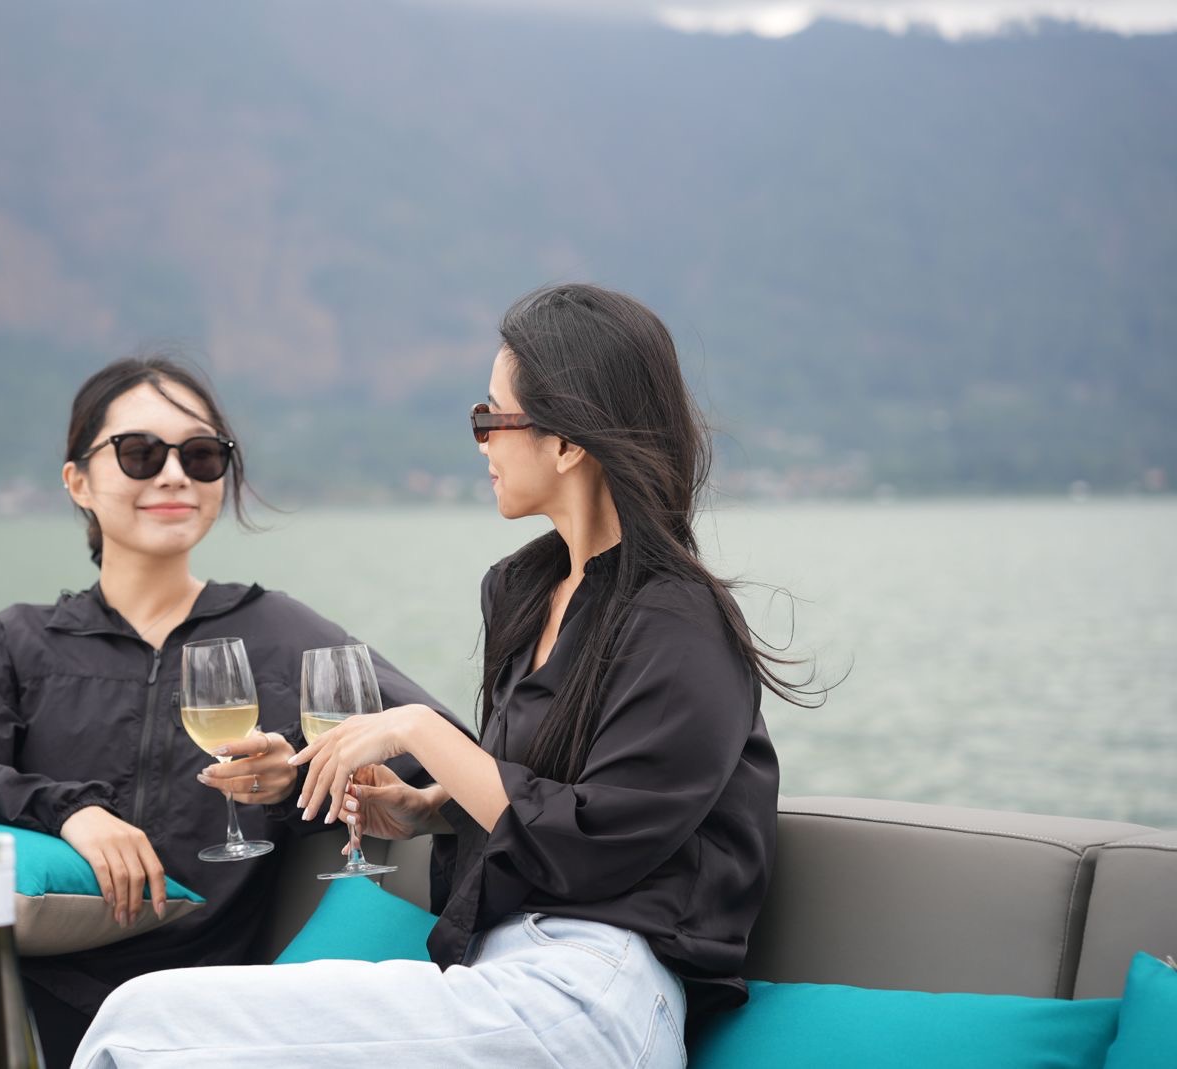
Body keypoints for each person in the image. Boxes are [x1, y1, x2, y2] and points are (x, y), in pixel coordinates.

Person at [70, 284, 813, 1069]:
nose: (480, 442)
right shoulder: (527, 592)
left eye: (491, 418)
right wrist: (429, 810)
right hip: (501, 975)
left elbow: (595, 844)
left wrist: (418, 729)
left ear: (566, 442)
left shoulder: (680, 622)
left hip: (593, 995)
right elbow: (543, 797)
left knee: (137, 1021)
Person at [0, 355, 448, 1069]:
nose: (174, 474)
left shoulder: (281, 634)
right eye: (140, 452)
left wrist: (296, 775)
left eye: (201, 455)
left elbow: (438, 749)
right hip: (5, 953)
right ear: (78, 481)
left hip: (152, 999)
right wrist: (68, 811)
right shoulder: (18, 643)